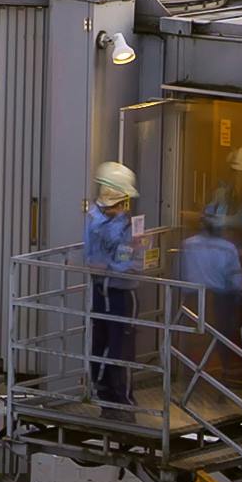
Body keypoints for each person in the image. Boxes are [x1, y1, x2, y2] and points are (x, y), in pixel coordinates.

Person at [82, 161, 148, 406]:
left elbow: (133, 262)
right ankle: (105, 394)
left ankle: (122, 399)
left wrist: (110, 266)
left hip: (121, 293)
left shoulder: (130, 226)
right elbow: (93, 255)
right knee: (100, 344)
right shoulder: (96, 220)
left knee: (121, 348)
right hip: (102, 291)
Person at [174, 202, 242, 393]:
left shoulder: (188, 245)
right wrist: (237, 295)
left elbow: (180, 272)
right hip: (220, 299)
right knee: (220, 338)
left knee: (193, 339)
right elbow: (235, 277)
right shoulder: (228, 248)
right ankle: (220, 381)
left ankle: (190, 379)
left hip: (193, 297)